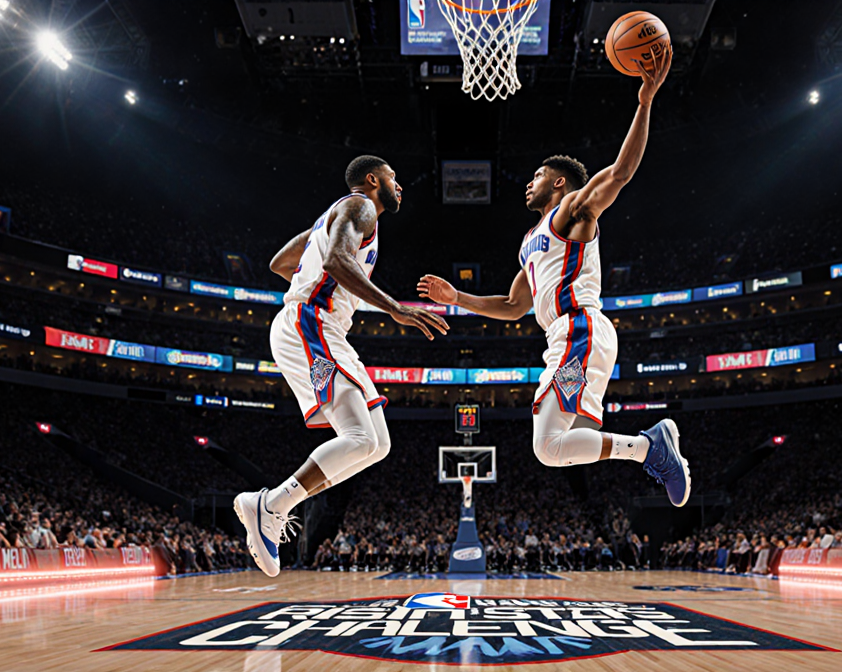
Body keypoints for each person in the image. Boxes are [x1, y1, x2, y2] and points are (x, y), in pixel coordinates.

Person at [416, 49, 689, 506]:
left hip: (577, 328)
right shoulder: (530, 239)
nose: (530, 181)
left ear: (561, 184)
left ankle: (650, 448)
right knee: (559, 448)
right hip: (568, 335)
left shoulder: (571, 212)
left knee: (549, 446)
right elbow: (512, 305)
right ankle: (650, 448)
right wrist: (456, 296)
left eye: (539, 174)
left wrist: (644, 102)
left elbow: (620, 173)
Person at [235, 156, 449, 578]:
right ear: (372, 180)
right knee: (356, 437)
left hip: (324, 325)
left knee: (377, 444)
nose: (399, 185)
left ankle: (275, 504)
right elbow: (334, 261)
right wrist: (394, 309)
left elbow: (282, 263)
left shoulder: (333, 216)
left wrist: (313, 270)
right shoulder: (360, 206)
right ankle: (271, 504)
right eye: (393, 177)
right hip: (312, 322)